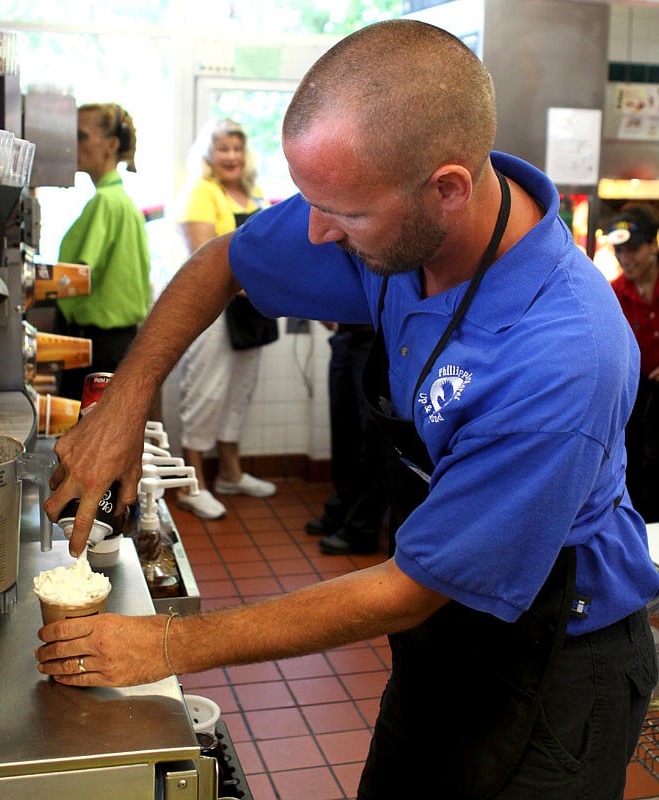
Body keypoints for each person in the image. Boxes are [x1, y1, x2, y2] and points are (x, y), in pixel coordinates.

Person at [37, 21, 658, 800]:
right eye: (313, 200)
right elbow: (224, 260)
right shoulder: (393, 214)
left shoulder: (561, 351)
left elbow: (413, 584)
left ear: (447, 190)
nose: (315, 232)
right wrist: (123, 406)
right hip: (440, 639)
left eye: (344, 213)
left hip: (556, 662)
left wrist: (166, 642)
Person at [173, 118, 277, 520]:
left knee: (239, 392)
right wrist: (258, 287)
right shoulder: (201, 192)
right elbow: (202, 259)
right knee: (206, 393)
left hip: (252, 310)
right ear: (208, 154)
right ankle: (191, 484)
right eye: (223, 148)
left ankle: (231, 473)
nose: (231, 156)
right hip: (214, 309)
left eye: (237, 148)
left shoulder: (254, 193)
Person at [54, 102, 150, 401]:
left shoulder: (105, 203)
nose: (72, 143)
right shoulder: (124, 203)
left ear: (111, 145)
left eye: (80, 135)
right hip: (120, 343)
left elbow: (75, 277)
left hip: (97, 346)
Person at [306, 321, 389, 555]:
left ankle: (361, 529)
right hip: (347, 333)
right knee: (344, 427)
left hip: (378, 337)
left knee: (372, 434)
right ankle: (342, 511)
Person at [608, 204, 659, 523]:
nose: (626, 259)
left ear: (653, 245)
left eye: (634, 250)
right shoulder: (613, 293)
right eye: (620, 251)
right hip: (636, 399)